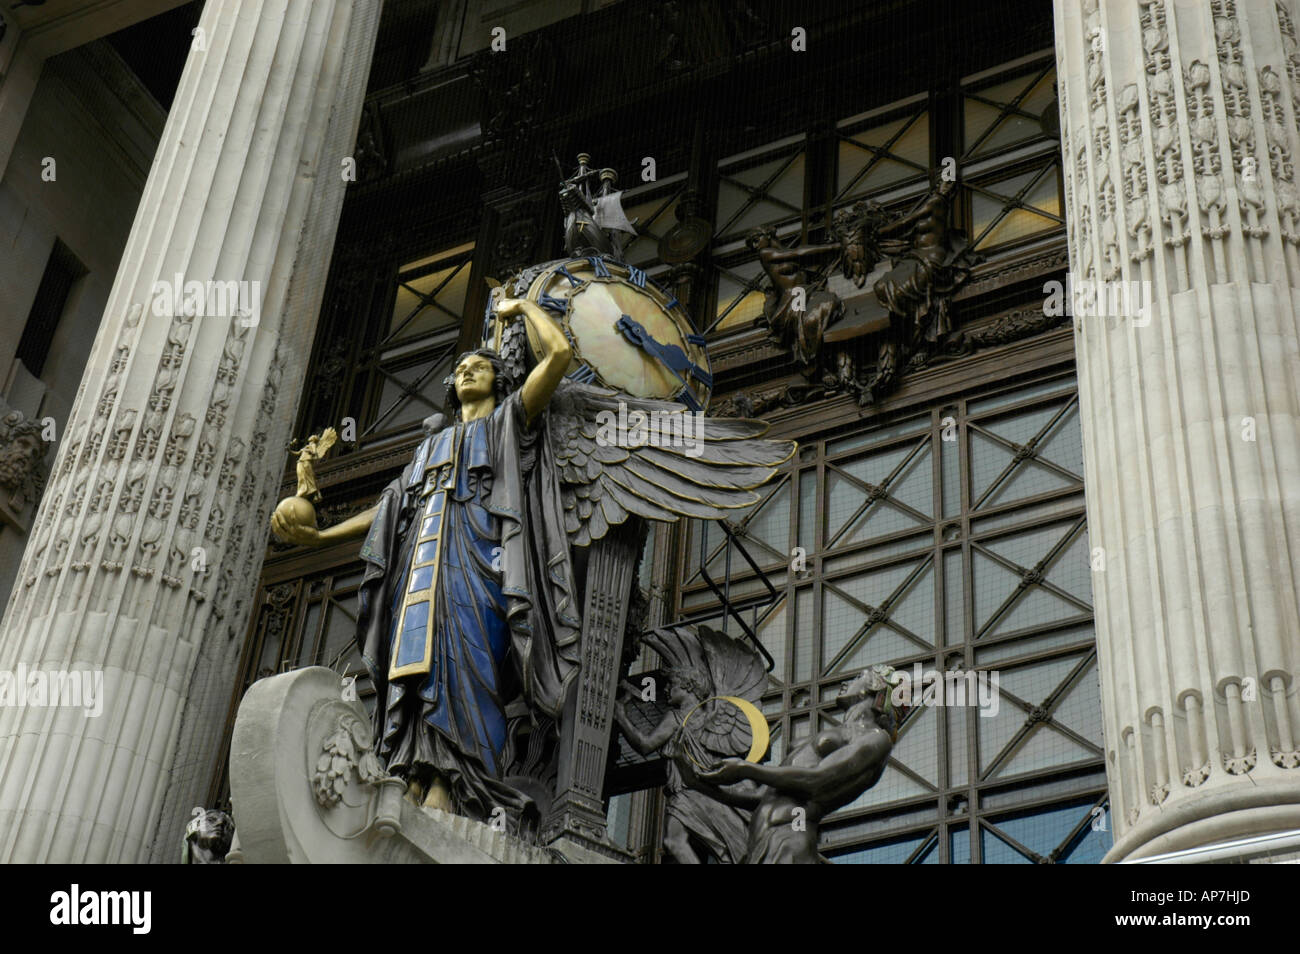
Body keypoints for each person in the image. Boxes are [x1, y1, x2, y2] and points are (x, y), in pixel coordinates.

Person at [271, 298, 582, 832]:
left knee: (468, 667)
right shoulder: (428, 448)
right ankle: (413, 774)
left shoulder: (509, 422)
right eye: (459, 369)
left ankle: (459, 787)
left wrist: (521, 304)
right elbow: (387, 511)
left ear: (500, 380)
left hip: (479, 568)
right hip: (421, 570)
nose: (464, 372)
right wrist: (319, 534)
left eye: (477, 366)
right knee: (416, 673)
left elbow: (558, 355)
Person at [696, 665, 905, 863]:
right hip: (762, 844)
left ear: (877, 692)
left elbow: (818, 781)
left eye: (859, 677)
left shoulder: (875, 738)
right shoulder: (841, 733)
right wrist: (696, 779)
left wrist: (745, 769)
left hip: (790, 841)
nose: (847, 681)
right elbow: (759, 796)